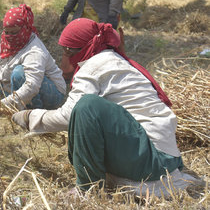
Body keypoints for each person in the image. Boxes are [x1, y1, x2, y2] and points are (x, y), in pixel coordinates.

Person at [11, 18, 201, 196]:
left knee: (86, 107)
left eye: (68, 52)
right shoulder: (110, 60)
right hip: (164, 158)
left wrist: (31, 117)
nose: (64, 58)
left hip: (153, 161)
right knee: (87, 110)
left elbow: (68, 115)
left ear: (84, 48)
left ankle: (88, 188)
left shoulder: (94, 66)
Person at [0, 4, 67, 111]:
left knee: (19, 73)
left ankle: (32, 113)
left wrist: (0, 106)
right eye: (7, 32)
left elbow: (32, 86)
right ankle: (16, 105)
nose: (10, 37)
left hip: (52, 93)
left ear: (25, 29)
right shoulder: (5, 42)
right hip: (16, 88)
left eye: (14, 33)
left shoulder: (34, 51)